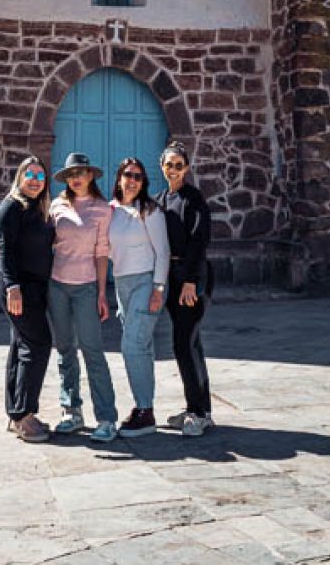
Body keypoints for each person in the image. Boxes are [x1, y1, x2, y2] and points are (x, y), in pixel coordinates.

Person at [47, 151, 118, 441]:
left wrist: (102, 292)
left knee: (93, 351)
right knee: (65, 349)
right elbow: (44, 243)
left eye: (81, 173)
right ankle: (71, 411)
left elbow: (102, 253)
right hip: (56, 286)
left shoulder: (103, 209)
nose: (76, 179)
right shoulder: (56, 206)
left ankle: (106, 418)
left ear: (90, 176)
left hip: (87, 287)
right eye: (71, 175)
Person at [108, 157, 170, 437]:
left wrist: (158, 288)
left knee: (132, 345)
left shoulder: (150, 211)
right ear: (119, 178)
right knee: (141, 346)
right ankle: (145, 407)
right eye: (127, 175)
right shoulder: (111, 211)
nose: (132, 180)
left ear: (143, 182)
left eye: (138, 177)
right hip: (122, 284)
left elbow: (163, 252)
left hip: (147, 282)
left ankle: (145, 412)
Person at [0, 155, 54, 442]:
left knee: (21, 345)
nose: (34, 181)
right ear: (19, 177)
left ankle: (16, 413)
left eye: (40, 177)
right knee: (38, 343)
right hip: (17, 285)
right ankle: (24, 415)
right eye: (29, 175)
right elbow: (5, 252)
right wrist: (12, 287)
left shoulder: (38, 209)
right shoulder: (11, 207)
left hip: (34, 286)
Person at [156, 140, 214, 436]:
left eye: (179, 165)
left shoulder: (193, 199)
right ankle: (201, 408)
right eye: (169, 165)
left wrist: (190, 280)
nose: (174, 170)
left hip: (191, 278)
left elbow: (199, 239)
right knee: (191, 344)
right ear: (162, 167)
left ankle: (197, 412)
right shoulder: (162, 198)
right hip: (172, 276)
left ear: (187, 168)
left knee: (183, 344)